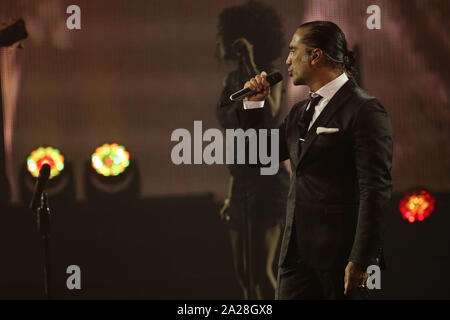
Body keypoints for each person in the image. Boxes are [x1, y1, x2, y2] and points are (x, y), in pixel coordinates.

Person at [241, 21, 393, 299]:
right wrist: (254, 106)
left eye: (292, 51)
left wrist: (361, 259)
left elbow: (375, 189)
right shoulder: (300, 112)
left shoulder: (365, 109)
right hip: (296, 258)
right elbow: (258, 156)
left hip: (342, 260)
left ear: (315, 56)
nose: (286, 60)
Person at [215, 1, 290, 299]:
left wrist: (249, 58)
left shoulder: (269, 75)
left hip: (267, 183)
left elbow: (268, 114)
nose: (218, 42)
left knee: (260, 273)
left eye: (223, 35)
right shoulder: (230, 81)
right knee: (245, 276)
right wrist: (232, 192)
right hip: (241, 182)